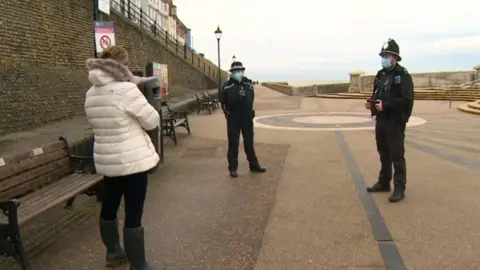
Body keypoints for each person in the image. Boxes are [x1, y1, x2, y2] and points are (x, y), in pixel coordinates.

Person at [84, 45, 165, 270]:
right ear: (122, 66)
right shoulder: (126, 90)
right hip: (132, 161)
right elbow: (151, 120)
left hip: (107, 161)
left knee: (109, 206)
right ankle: (138, 265)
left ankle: (113, 253)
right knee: (133, 210)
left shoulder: (91, 92)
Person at [365, 39, 414, 203]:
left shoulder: (403, 75)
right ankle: (384, 182)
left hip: (395, 121)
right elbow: (377, 94)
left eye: (387, 55)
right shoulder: (381, 74)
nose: (384, 58)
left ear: (395, 58)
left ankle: (400, 187)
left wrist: (385, 105)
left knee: (396, 154)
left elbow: (406, 100)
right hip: (382, 120)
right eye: (383, 55)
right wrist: (371, 104)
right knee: (383, 152)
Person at [221, 61, 266, 177]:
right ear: (231, 73)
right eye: (235, 71)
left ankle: (254, 165)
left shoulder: (249, 84)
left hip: (247, 118)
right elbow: (223, 102)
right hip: (233, 119)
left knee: (249, 143)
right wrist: (228, 115)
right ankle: (233, 168)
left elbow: (251, 98)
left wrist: (250, 111)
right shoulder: (227, 86)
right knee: (233, 144)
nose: (238, 73)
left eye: (240, 71)